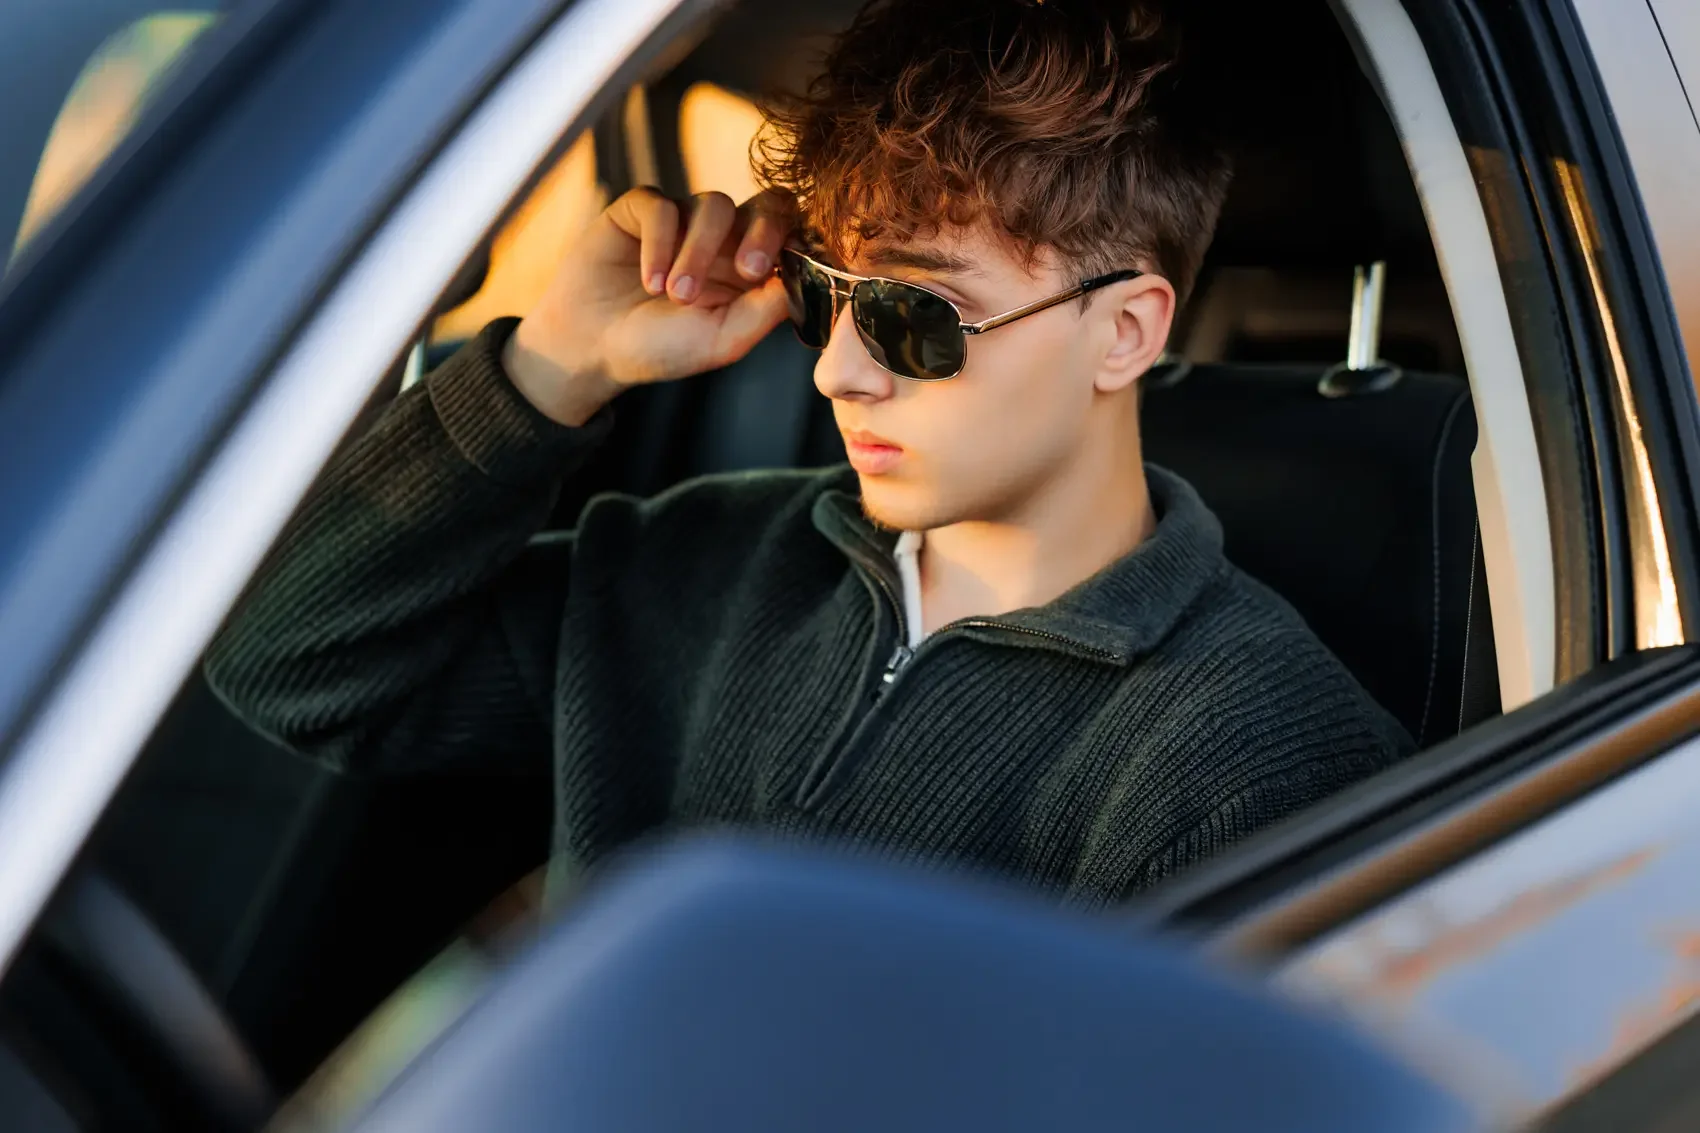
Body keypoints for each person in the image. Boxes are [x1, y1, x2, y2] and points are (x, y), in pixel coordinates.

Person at [207, 0, 1411, 907]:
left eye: (912, 315)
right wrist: (552, 366)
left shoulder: (1248, 767)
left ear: (1125, 331)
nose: (837, 366)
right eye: (818, 291)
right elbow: (288, 661)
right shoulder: (696, 563)